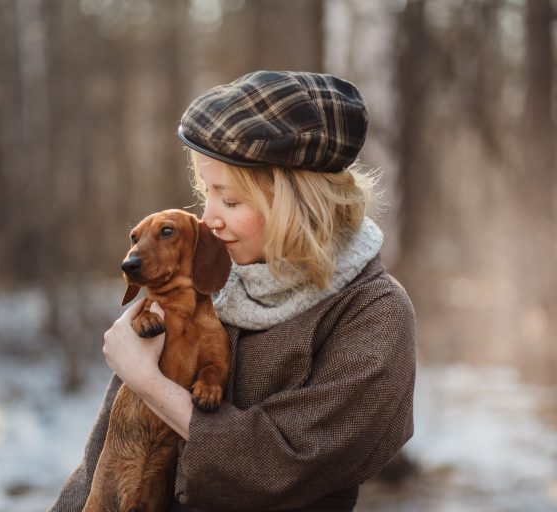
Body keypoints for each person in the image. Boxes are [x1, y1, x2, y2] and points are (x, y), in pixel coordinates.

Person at [50, 71, 416, 512]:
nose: (210, 219)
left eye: (231, 200)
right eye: (208, 194)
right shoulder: (204, 282)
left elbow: (287, 465)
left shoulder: (373, 313)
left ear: (298, 206)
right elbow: (108, 459)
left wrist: (148, 382)